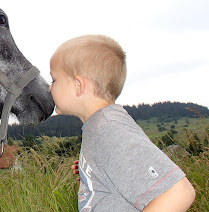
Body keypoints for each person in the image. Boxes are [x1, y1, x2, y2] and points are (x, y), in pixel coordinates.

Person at [49, 35, 195, 211]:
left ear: (78, 85)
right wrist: (95, 173)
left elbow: (179, 193)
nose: (50, 88)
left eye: (54, 80)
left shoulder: (110, 129)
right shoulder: (99, 127)